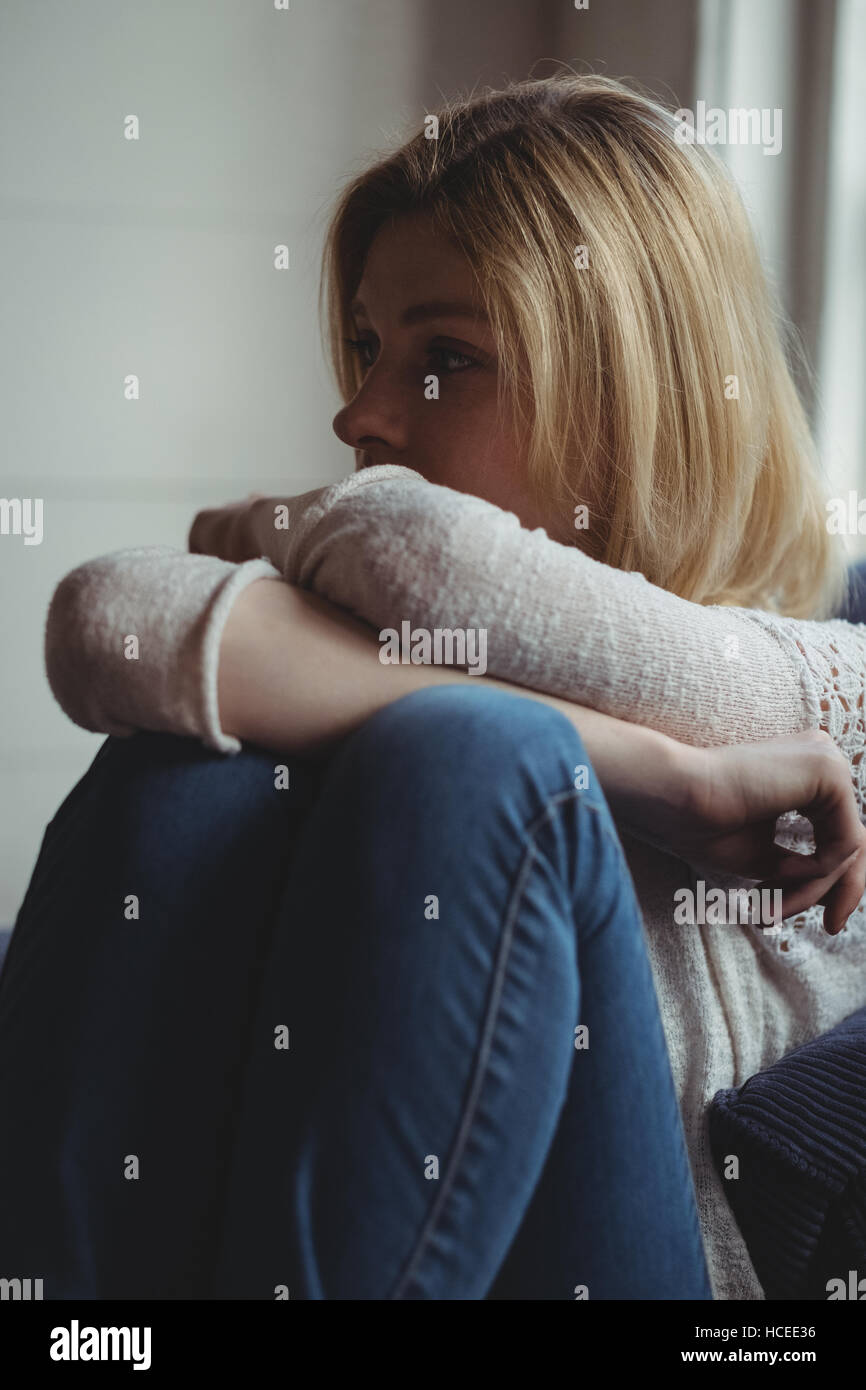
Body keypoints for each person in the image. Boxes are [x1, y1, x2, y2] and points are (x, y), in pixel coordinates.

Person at [3, 73, 866, 1300]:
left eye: (442, 358)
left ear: (627, 391)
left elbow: (422, 553)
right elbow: (111, 625)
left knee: (472, 757)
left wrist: (273, 528)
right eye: (366, 345)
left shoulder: (836, 683)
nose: (356, 414)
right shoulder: (422, 633)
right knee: (184, 778)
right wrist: (655, 777)